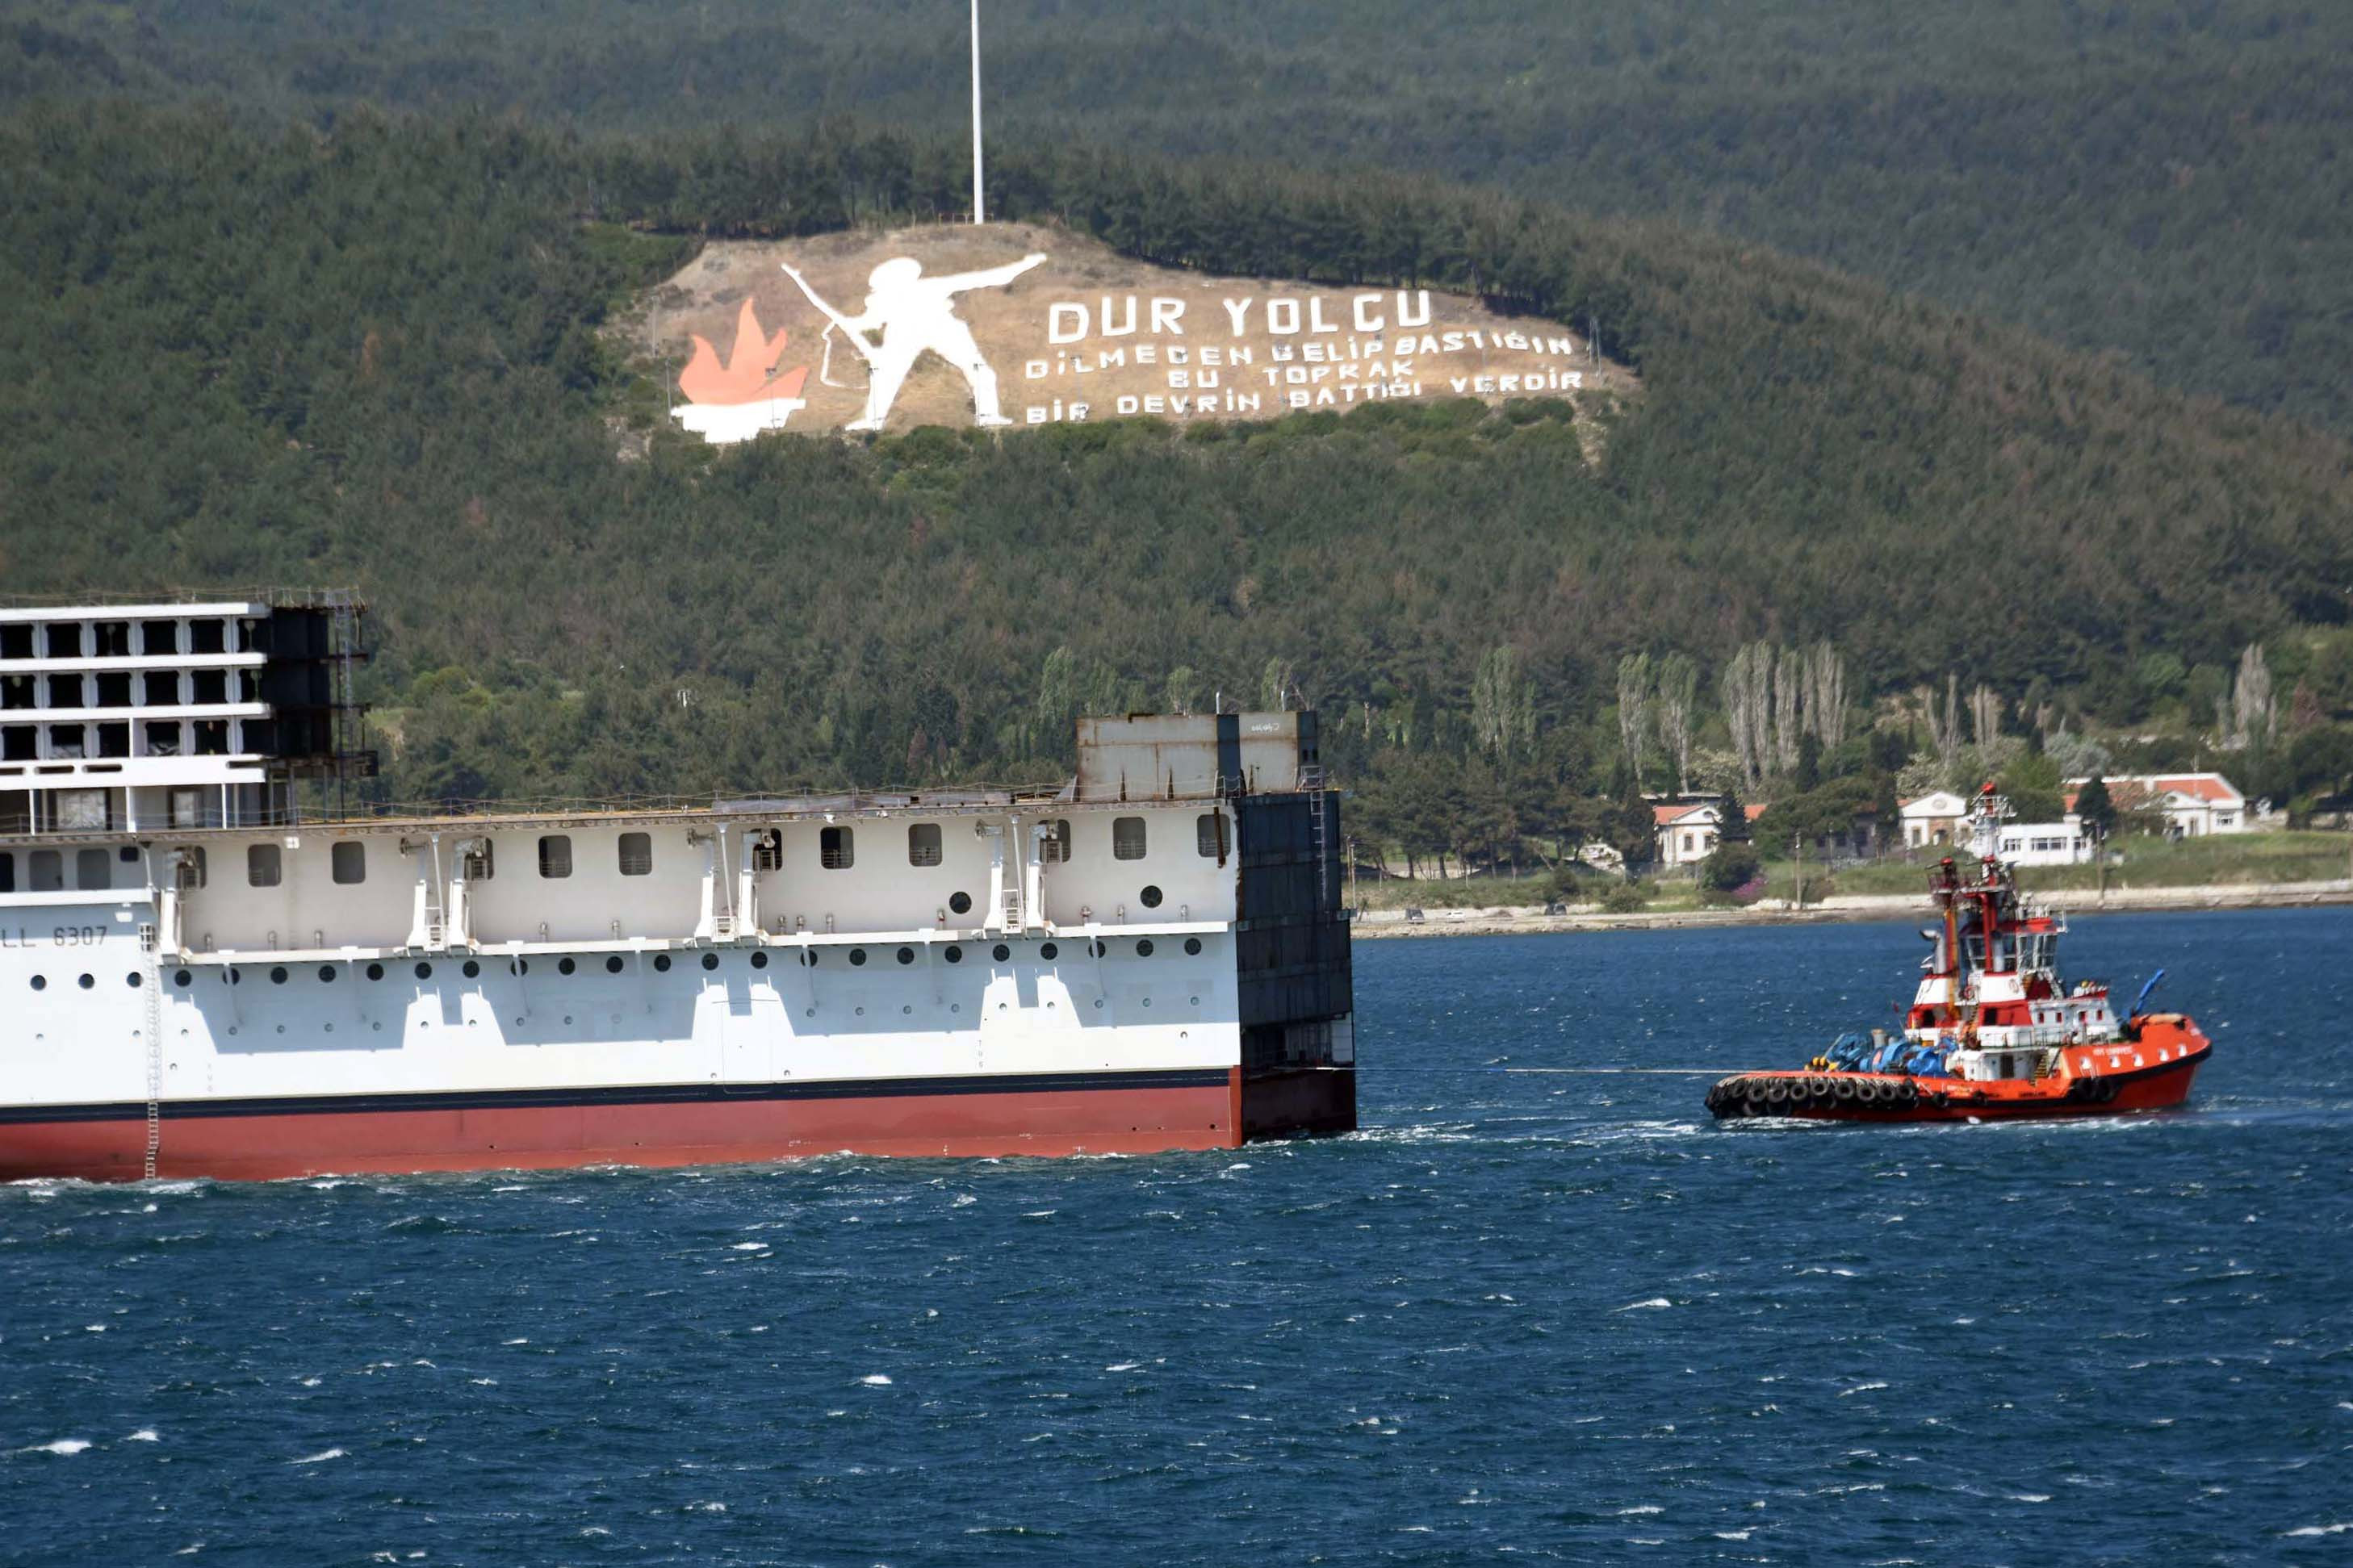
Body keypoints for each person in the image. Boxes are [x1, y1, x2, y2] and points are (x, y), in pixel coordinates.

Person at [793, 253, 1045, 431]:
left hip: (942, 326)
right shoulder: (883, 299)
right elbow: (869, 322)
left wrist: (1023, 266)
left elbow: (986, 278)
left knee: (980, 371)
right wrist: (848, 323)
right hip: (904, 333)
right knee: (886, 377)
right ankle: (873, 419)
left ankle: (989, 415)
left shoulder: (931, 286)